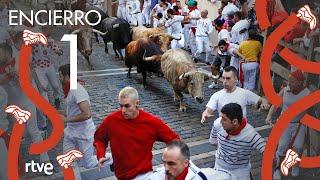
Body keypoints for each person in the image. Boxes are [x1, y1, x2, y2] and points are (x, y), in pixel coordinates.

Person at [93, 86, 179, 179]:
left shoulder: (151, 122)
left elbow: (175, 141)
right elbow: (99, 139)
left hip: (144, 175)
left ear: (137, 103)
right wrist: (101, 155)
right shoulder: (111, 120)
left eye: (127, 106)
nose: (123, 110)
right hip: (121, 175)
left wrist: (172, 161)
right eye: (121, 106)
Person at [265, 70, 310, 179]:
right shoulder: (285, 90)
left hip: (299, 124)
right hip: (284, 123)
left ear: (300, 83)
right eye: (289, 81)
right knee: (282, 146)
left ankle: (294, 165)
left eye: (292, 82)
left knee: (298, 147)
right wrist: (269, 116)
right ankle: (276, 169)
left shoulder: (307, 93)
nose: (289, 84)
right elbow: (276, 104)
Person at [58, 64, 99, 179]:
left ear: (67, 76)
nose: (59, 78)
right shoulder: (69, 89)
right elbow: (71, 112)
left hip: (83, 133)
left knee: (89, 163)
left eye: (60, 76)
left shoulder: (77, 90)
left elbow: (87, 114)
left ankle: (112, 159)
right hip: (71, 132)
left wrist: (66, 119)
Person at [209, 103, 265, 179]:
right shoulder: (217, 124)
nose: (221, 121)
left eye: (224, 119)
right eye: (221, 117)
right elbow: (213, 141)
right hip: (219, 166)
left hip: (240, 171)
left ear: (235, 121)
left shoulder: (250, 134)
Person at [201, 66, 270, 124]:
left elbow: (262, 100)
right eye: (223, 78)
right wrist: (205, 114)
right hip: (224, 130)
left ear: (236, 79)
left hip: (242, 131)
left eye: (228, 78)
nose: (224, 81)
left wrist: (264, 104)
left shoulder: (244, 93)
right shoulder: (216, 95)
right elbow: (208, 110)